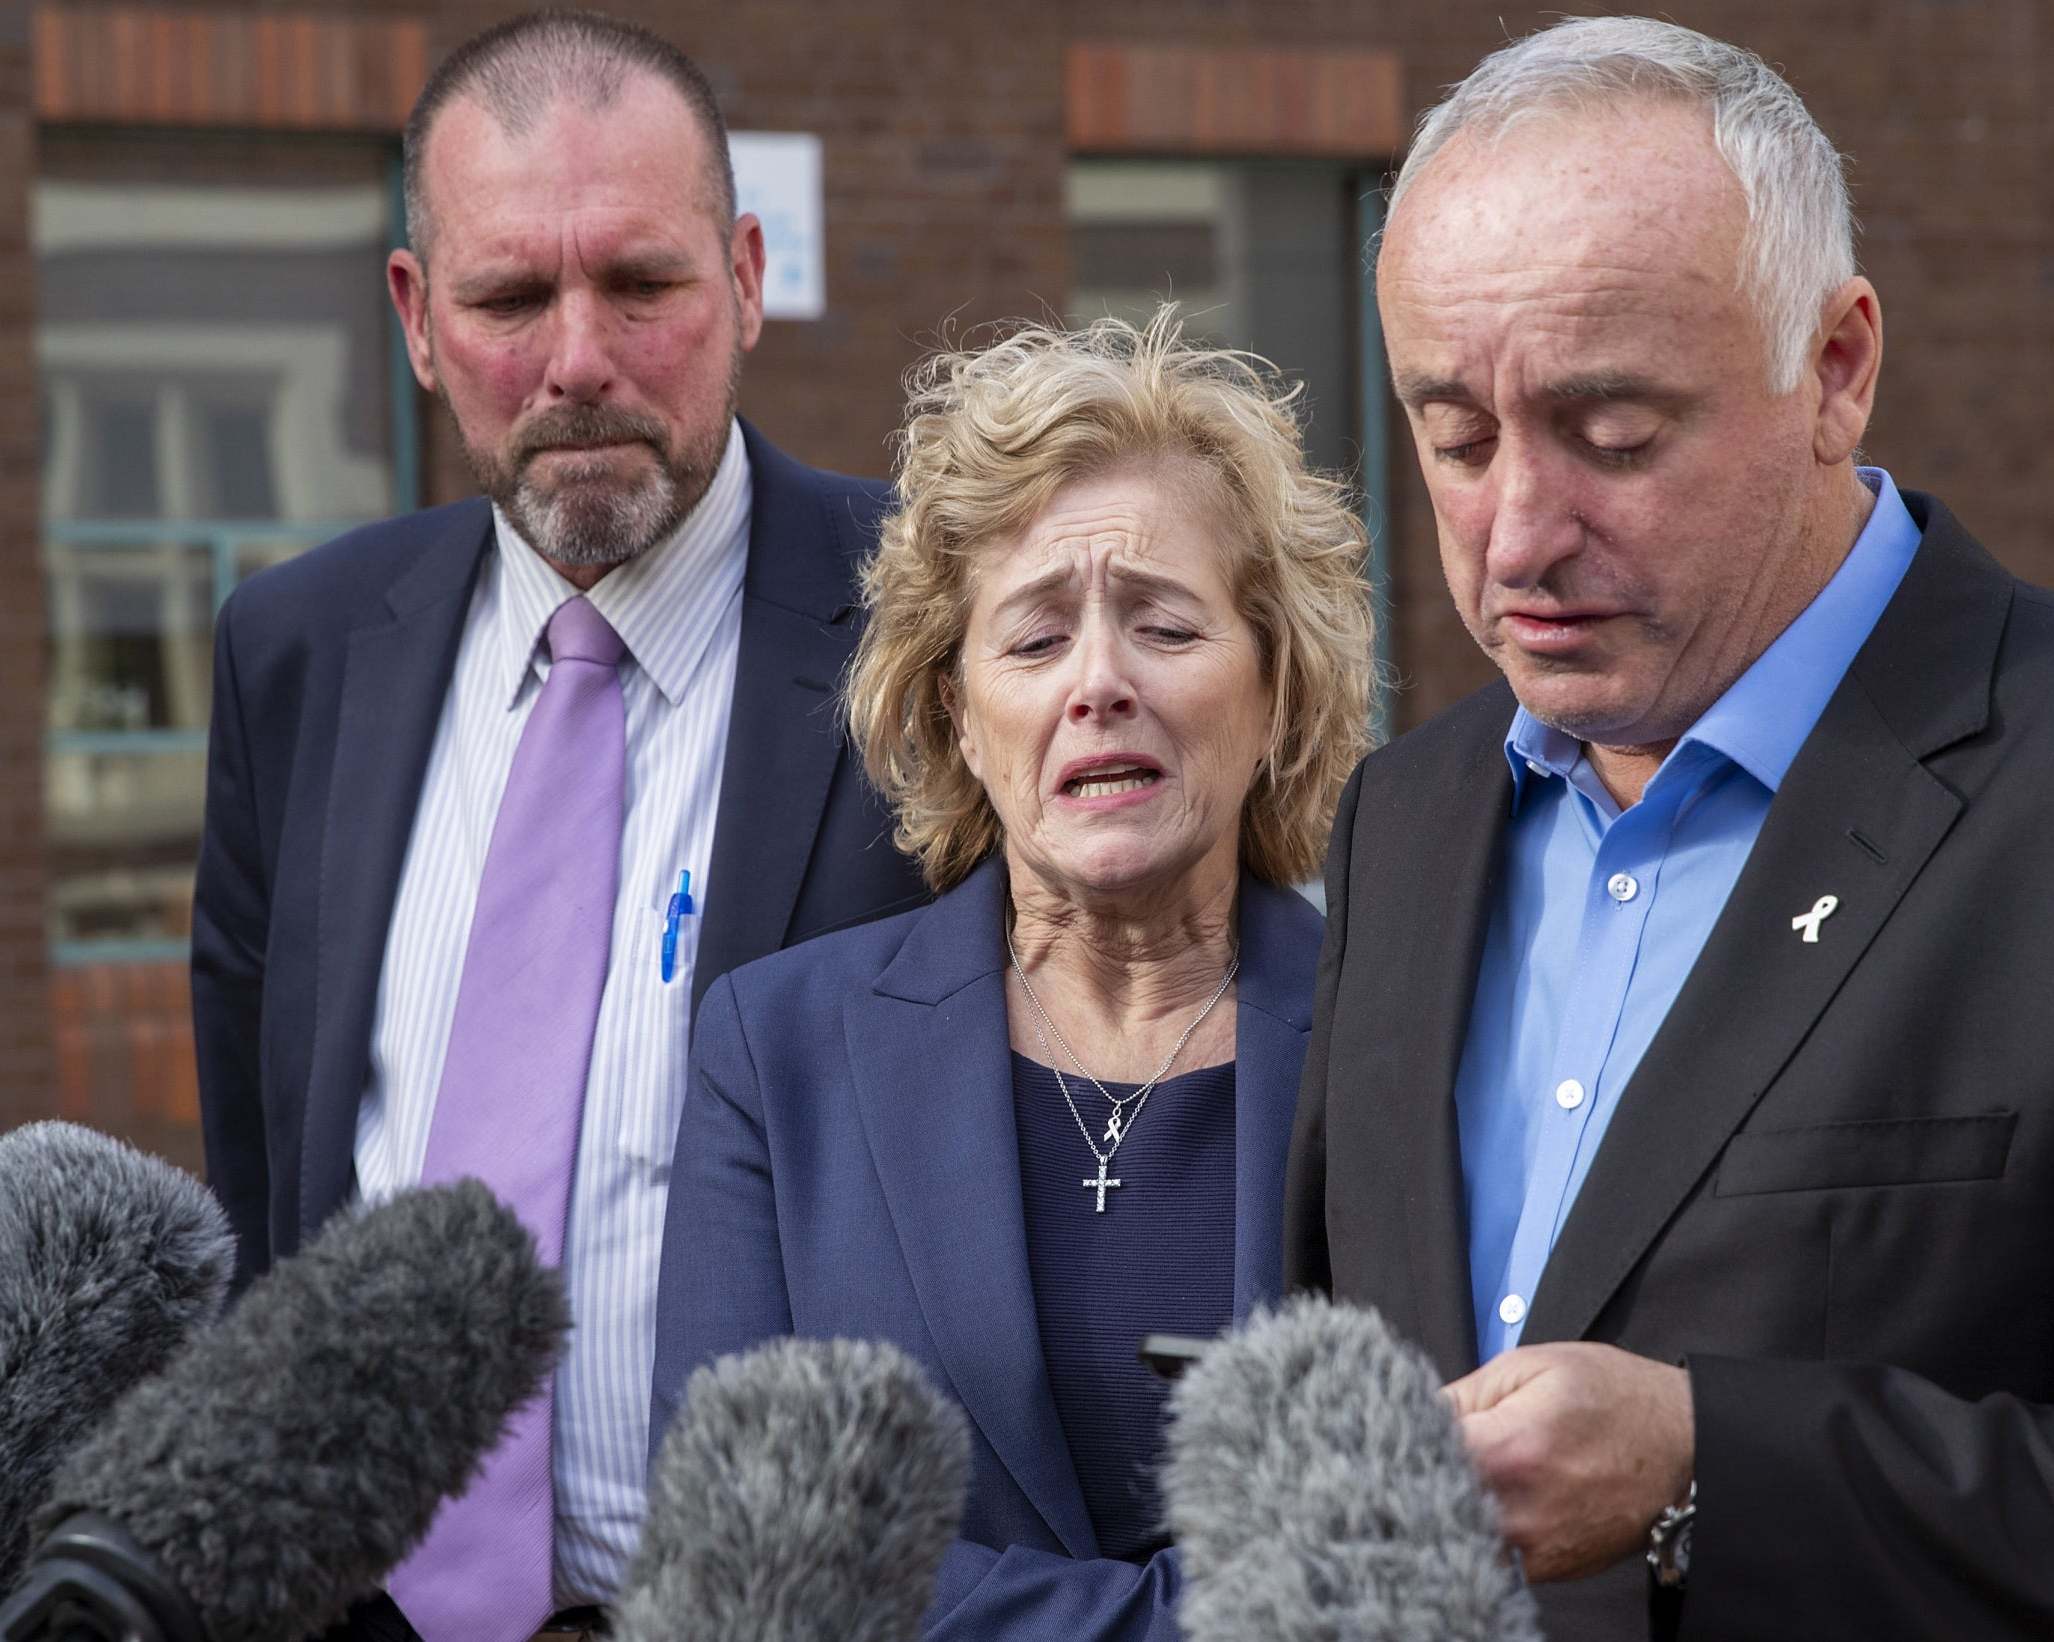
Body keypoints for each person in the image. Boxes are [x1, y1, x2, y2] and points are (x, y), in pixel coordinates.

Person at [1285, 16, 2054, 1641]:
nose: (1519, 531)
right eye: (1456, 438)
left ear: (1837, 368)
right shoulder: (1402, 819)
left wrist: (1714, 1463)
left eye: (1614, 434)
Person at [189, 13, 926, 1639]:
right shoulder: (296, 653)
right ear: (418, 318)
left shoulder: (939, 633)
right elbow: (266, 1178)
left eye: (641, 284)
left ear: (742, 278)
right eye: (512, 297)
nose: (578, 357)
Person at [652, 312, 1376, 1639]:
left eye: (1163, 624)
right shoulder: (780, 1052)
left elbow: (1434, 1529)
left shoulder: (1399, 1035)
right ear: (954, 717)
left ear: (1275, 689)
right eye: (1036, 641)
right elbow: (737, 1556)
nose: (1098, 681)